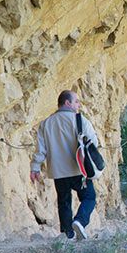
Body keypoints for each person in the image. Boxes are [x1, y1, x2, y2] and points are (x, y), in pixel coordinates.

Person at [30, 90, 98, 241]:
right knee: (89, 197)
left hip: (58, 172)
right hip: (79, 169)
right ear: (67, 103)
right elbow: (94, 143)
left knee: (64, 201)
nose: (78, 105)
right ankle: (80, 221)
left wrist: (35, 168)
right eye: (76, 102)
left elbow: (41, 150)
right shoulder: (80, 120)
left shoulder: (46, 123)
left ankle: (68, 234)